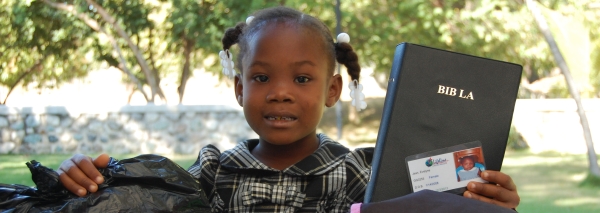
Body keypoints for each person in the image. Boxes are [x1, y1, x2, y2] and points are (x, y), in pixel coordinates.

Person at [57, 6, 520, 212]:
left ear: (333, 91)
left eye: (301, 79)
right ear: (239, 89)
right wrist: (86, 180)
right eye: (261, 78)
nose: (280, 92)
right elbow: (148, 197)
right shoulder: (212, 172)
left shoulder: (363, 174)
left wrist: (487, 202)